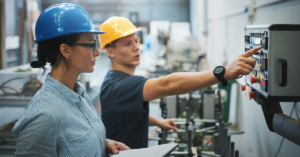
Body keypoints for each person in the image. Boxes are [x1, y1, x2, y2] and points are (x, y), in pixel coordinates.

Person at [98, 16, 261, 149]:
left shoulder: (113, 80)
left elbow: (127, 114)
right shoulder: (120, 86)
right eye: (127, 44)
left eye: (135, 41)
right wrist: (222, 73)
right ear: (110, 51)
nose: (136, 47)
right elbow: (168, 84)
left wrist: (158, 122)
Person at [12, 4, 129, 157]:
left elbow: (71, 141)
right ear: (65, 50)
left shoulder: (79, 94)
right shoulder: (44, 116)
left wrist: (100, 143)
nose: (97, 52)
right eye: (91, 44)